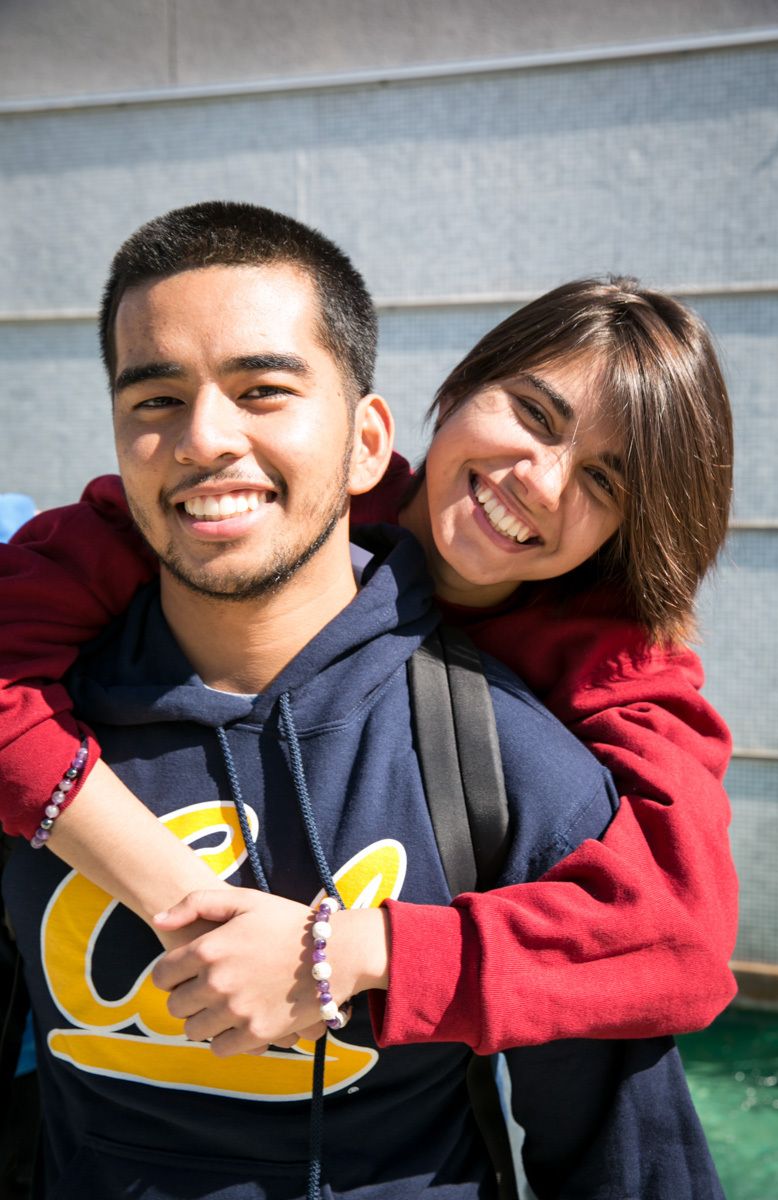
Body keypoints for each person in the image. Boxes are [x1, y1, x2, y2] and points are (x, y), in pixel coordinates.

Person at [1, 202, 723, 1200]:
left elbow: (672, 946)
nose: (539, 481)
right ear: (446, 400)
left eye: (603, 478)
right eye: (533, 415)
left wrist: (348, 952)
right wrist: (180, 898)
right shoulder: (125, 557)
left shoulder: (569, 718)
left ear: (361, 434)